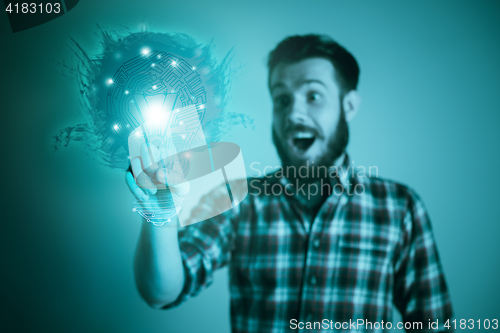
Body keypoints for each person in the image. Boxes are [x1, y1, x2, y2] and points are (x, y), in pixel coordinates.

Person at [126, 34, 453, 332]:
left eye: (313, 95)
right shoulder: (239, 200)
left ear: (348, 105)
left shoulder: (400, 208)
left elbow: (434, 324)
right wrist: (162, 217)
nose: (294, 113)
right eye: (282, 99)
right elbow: (162, 292)